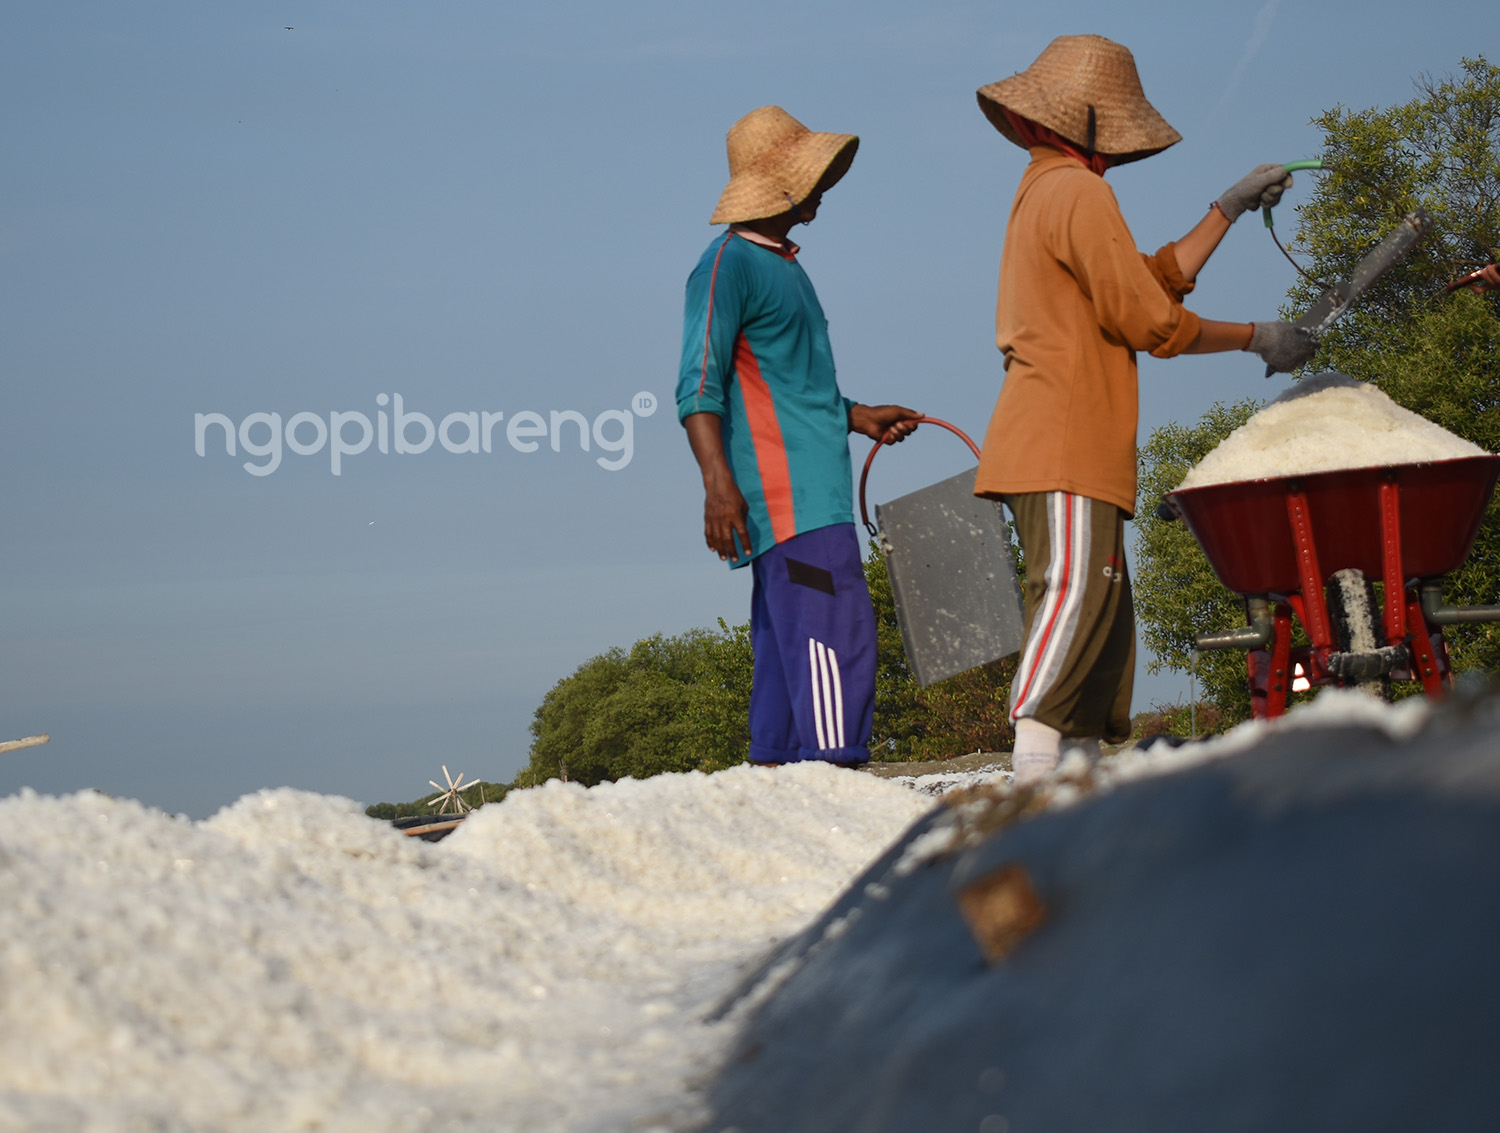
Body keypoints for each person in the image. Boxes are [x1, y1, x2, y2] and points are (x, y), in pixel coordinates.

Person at [971, 35, 1318, 785]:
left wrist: (1224, 210)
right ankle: (1030, 785)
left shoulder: (1049, 188)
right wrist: (1257, 336)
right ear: (1095, 123)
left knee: (1100, 624)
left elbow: (1150, 284)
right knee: (1071, 601)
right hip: (1065, 439)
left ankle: (1078, 795)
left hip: (1070, 446)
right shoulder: (1077, 192)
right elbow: (1149, 323)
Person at [676, 106, 918, 767]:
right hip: (790, 503)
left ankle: (778, 783)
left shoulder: (786, 266)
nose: (820, 191)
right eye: (809, 178)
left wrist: (858, 414)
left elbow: (791, 387)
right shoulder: (725, 265)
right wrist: (718, 487)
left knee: (786, 650)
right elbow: (697, 385)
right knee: (834, 639)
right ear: (778, 186)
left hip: (817, 494)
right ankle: (839, 778)